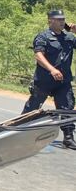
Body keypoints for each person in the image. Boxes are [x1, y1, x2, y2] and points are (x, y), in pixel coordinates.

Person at [22, 9, 76, 149]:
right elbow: (39, 55)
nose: (61, 22)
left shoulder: (69, 38)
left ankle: (68, 138)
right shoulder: (43, 37)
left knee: (67, 108)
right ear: (50, 21)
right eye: (58, 20)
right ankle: (19, 130)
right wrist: (51, 69)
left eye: (63, 19)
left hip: (63, 81)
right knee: (33, 106)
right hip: (45, 80)